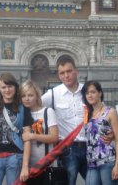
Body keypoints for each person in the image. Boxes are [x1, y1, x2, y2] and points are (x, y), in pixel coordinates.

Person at [41, 57, 88, 185]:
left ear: (76, 71)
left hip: (90, 147)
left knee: (95, 182)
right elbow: (35, 106)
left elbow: (102, 112)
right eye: (62, 73)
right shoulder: (53, 94)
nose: (66, 75)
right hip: (67, 149)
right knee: (68, 182)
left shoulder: (87, 91)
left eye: (69, 71)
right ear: (58, 75)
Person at [0, 73, 32, 185]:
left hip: (16, 158)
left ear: (15, 87)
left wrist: (25, 166)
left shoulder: (23, 108)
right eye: (3, 87)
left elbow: (27, 138)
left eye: (10, 86)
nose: (7, 90)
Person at [82, 81, 118, 185]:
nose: (90, 95)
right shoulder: (87, 114)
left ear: (100, 93)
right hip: (91, 163)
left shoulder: (110, 112)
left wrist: (117, 166)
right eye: (87, 93)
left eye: (93, 92)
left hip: (107, 161)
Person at [20, 80, 59, 185]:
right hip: (26, 167)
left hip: (45, 165)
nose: (27, 98)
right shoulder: (20, 115)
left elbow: (54, 137)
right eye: (23, 96)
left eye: (30, 95)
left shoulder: (48, 112)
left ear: (37, 96)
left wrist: (32, 136)